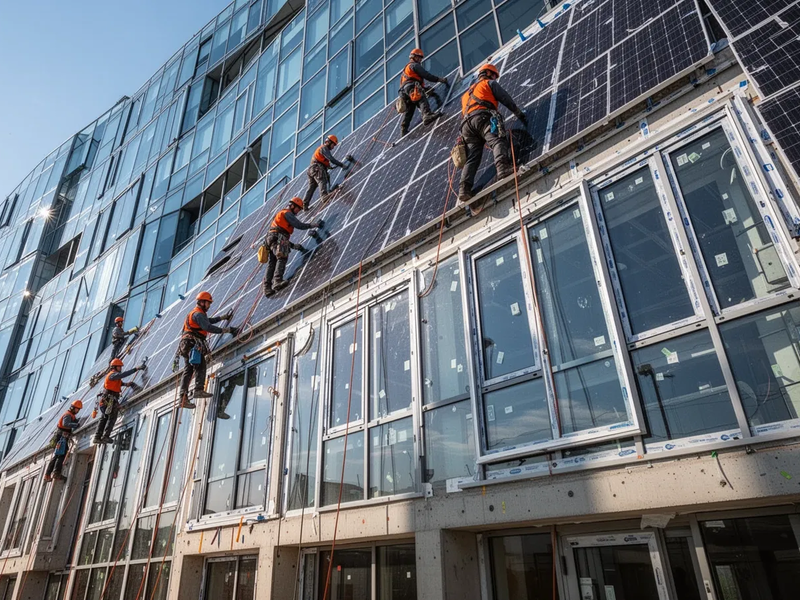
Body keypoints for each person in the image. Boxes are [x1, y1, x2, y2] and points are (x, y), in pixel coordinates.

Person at [458, 63, 528, 203]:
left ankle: (464, 189)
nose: (495, 78)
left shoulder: (466, 94)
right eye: (494, 75)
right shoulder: (488, 83)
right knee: (497, 140)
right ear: (489, 73)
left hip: (466, 127)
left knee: (473, 157)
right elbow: (505, 98)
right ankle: (503, 168)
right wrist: (519, 113)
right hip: (483, 118)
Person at [178, 292, 238, 412]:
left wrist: (222, 317)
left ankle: (183, 398)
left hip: (186, 344)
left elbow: (207, 321)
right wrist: (227, 330)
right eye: (208, 303)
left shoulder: (195, 313)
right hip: (192, 343)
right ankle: (198, 390)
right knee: (201, 365)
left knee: (188, 370)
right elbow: (208, 327)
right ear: (202, 302)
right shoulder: (198, 314)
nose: (209, 306)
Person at [262, 197, 323, 297]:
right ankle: (277, 281)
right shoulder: (287, 213)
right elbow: (299, 225)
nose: (298, 211)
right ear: (292, 206)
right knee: (282, 257)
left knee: (272, 262)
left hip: (271, 238)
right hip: (277, 237)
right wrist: (312, 225)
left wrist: (293, 246)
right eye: (298, 209)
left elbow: (279, 233)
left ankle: (267, 288)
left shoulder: (281, 214)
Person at [92, 358, 145, 444]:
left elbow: (117, 383)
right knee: (111, 417)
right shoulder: (112, 375)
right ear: (115, 367)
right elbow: (122, 375)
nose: (121, 369)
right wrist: (136, 368)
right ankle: (105, 436)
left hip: (108, 400)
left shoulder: (113, 377)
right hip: (109, 400)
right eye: (119, 367)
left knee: (104, 418)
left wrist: (125, 384)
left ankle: (98, 437)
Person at [398, 48, 448, 136]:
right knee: (420, 97)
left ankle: (404, 128)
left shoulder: (405, 69)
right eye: (419, 57)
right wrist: (439, 79)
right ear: (414, 57)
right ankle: (427, 115)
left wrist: (426, 89)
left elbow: (408, 82)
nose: (420, 60)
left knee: (411, 107)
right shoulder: (414, 65)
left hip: (404, 92)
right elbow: (427, 75)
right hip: (411, 87)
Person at [302, 135, 354, 209]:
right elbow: (331, 159)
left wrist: (329, 166)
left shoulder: (322, 150)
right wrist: (342, 165)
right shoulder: (324, 148)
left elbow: (326, 162)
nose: (333, 147)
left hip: (311, 169)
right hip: (316, 168)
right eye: (333, 144)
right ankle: (324, 196)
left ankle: (305, 204)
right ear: (329, 142)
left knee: (312, 187)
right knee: (321, 180)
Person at [44, 400, 82, 482]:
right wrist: (76, 424)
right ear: (73, 408)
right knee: (60, 455)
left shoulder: (71, 415)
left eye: (78, 410)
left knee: (59, 455)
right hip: (61, 437)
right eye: (77, 409)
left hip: (62, 437)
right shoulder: (68, 415)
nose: (78, 411)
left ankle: (50, 474)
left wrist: (75, 421)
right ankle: (55, 473)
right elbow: (65, 424)